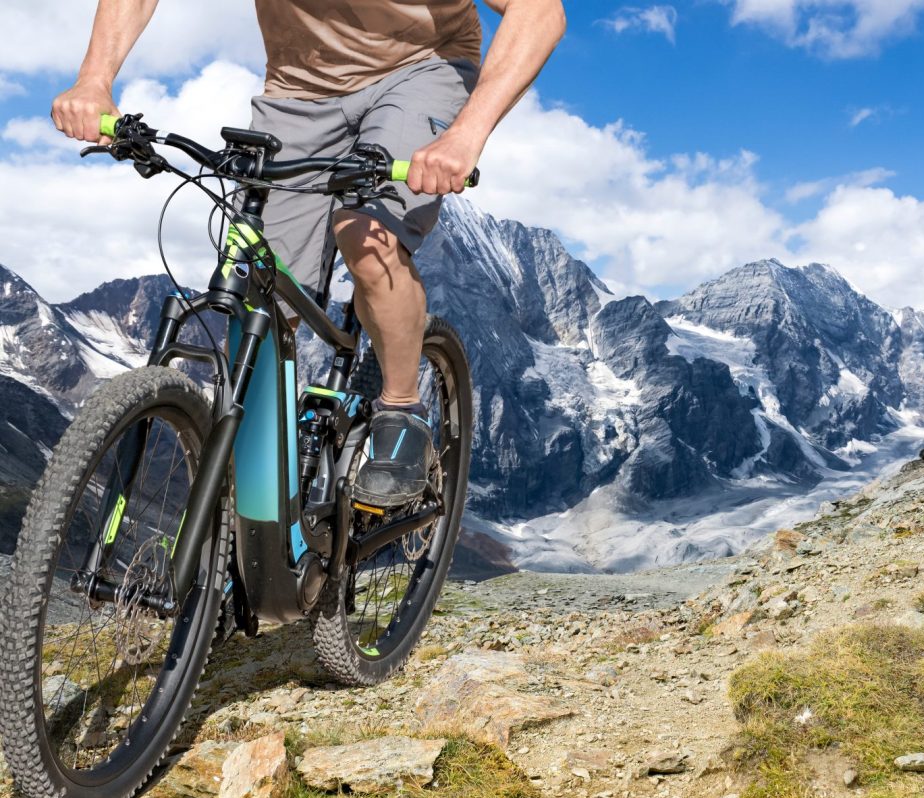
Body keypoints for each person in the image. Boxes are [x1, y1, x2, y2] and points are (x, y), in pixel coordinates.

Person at [51, 0, 566, 507]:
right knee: (258, 287)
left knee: (365, 232)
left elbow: (540, 10)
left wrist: (465, 135)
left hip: (421, 68)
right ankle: (261, 522)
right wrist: (95, 78)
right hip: (297, 91)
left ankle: (402, 410)